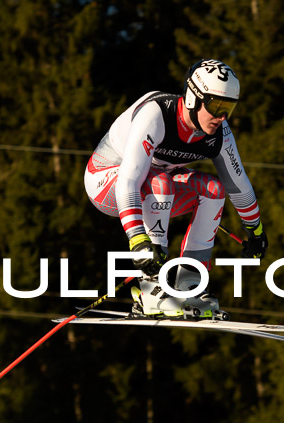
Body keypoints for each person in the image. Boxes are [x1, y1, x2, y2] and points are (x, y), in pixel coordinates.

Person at [84, 59, 268, 318]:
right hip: (107, 184)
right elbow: (129, 179)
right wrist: (138, 240)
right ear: (194, 98)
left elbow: (238, 185)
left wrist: (256, 231)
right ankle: (152, 288)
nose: (222, 117)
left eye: (229, 108)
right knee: (160, 181)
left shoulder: (219, 132)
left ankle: (189, 284)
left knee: (213, 189)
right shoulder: (157, 114)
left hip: (154, 184)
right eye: (216, 106)